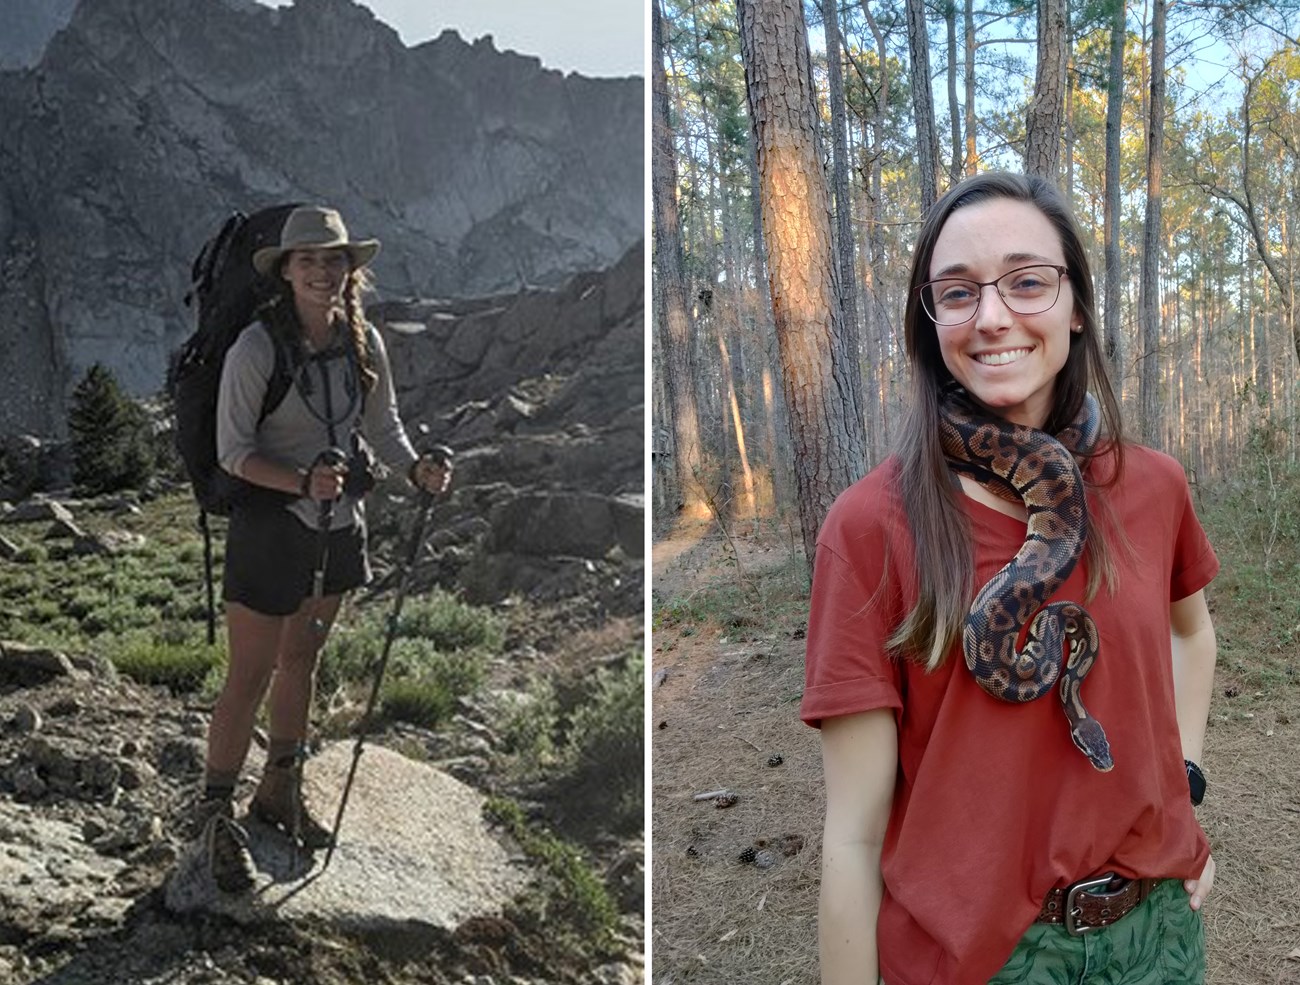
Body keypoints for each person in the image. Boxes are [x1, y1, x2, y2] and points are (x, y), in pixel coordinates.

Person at [801, 172, 1218, 984]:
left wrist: (1185, 782)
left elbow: (1190, 630)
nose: (992, 316)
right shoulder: (869, 529)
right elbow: (851, 835)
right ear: (931, 324)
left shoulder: (1153, 485)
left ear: (1077, 305)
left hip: (1155, 935)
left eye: (1028, 281)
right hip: (981, 958)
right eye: (957, 293)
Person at [194, 205, 451, 892]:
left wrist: (413, 466)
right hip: (270, 527)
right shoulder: (255, 347)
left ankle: (279, 791)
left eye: (333, 258)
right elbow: (232, 452)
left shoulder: (361, 341)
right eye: (306, 259)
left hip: (338, 526)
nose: (321, 269)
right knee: (248, 673)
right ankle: (214, 819)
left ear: (349, 269)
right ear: (285, 270)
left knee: (300, 660)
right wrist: (300, 480)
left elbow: (383, 422)